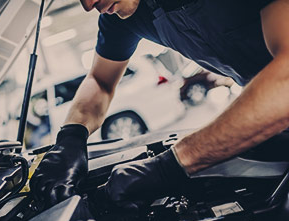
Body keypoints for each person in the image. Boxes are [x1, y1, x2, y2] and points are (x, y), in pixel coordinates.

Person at [29, 0, 289, 210]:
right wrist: (71, 138)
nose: (88, 4)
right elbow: (99, 81)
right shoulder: (124, 15)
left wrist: (171, 165)